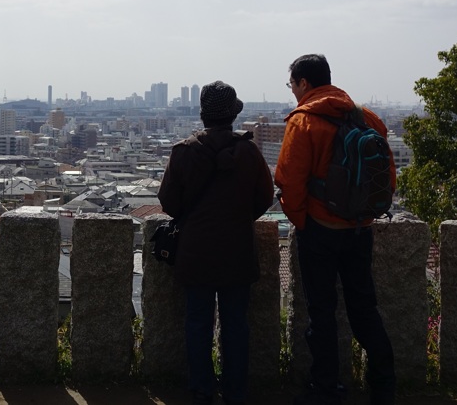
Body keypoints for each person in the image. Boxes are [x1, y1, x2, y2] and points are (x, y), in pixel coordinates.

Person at [275, 54, 397, 405]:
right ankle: (384, 384)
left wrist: (301, 221)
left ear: (304, 84)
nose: (293, 92)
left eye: (292, 85)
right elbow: (384, 172)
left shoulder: (303, 121)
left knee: (322, 310)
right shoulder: (363, 115)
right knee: (364, 307)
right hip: (360, 226)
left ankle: (326, 387)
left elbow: (289, 180)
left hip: (320, 228)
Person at [158, 80, 275, 405]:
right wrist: (238, 216)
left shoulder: (184, 151)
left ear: (203, 115)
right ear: (232, 116)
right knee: (236, 322)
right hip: (237, 249)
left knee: (197, 320)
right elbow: (265, 197)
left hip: (195, 251)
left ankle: (201, 388)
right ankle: (236, 390)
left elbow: (168, 202)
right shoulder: (249, 152)